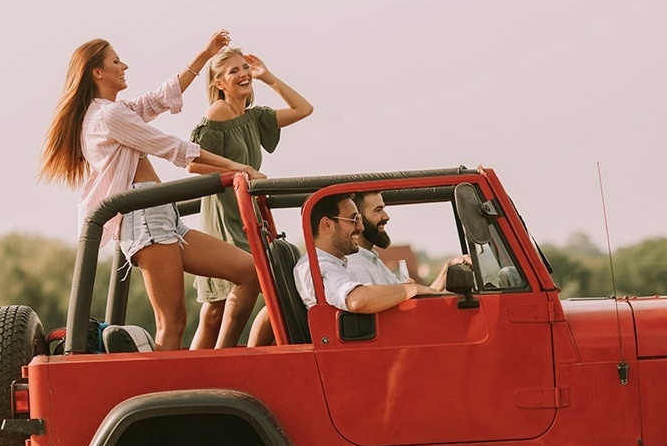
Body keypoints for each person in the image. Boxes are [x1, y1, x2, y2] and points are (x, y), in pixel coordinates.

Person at [38, 30, 264, 351]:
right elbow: (170, 146)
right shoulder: (108, 116)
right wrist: (237, 167)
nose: (125, 65)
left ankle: (219, 360)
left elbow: (160, 97)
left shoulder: (113, 111)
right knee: (172, 323)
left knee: (249, 272)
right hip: (145, 217)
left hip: (163, 214)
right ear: (97, 73)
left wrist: (206, 53)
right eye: (116, 61)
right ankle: (163, 382)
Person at [186, 48, 313, 349]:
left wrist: (267, 77)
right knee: (218, 305)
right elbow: (193, 164)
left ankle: (233, 356)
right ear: (219, 82)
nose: (243, 74)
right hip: (225, 215)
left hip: (248, 216)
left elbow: (303, 109)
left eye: (244, 68)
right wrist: (238, 170)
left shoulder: (254, 118)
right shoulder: (218, 113)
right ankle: (217, 358)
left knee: (259, 295)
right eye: (233, 71)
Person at [294, 194, 442, 313]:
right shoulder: (319, 266)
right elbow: (358, 301)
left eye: (359, 219)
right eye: (353, 219)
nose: (360, 227)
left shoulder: (335, 263)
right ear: (327, 225)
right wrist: (412, 289)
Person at [346, 191, 470, 290]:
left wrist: (448, 267)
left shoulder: (375, 263)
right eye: (378, 210)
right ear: (357, 219)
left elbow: (413, 305)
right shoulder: (354, 266)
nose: (386, 216)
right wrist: (409, 291)